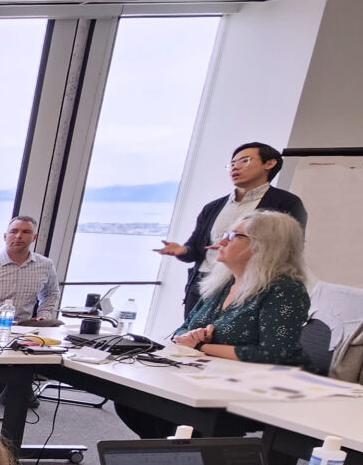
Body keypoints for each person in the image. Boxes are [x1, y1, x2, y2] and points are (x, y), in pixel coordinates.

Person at [116, 212, 311, 439]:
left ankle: (177, 460)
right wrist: (186, 339)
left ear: (263, 245)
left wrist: (200, 347)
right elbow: (183, 329)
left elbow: (274, 354)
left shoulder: (284, 290)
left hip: (258, 389)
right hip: (208, 375)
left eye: (234, 235)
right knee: (131, 399)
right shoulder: (223, 282)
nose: (222, 241)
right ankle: (167, 459)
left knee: (170, 411)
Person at [156, 142, 309, 318]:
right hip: (203, 284)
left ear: (269, 163)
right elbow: (196, 251)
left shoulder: (286, 203)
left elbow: (288, 250)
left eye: (244, 161)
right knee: (188, 339)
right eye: (232, 163)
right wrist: (182, 250)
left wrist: (238, 249)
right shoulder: (213, 207)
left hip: (247, 286)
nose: (235, 167)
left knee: (224, 340)